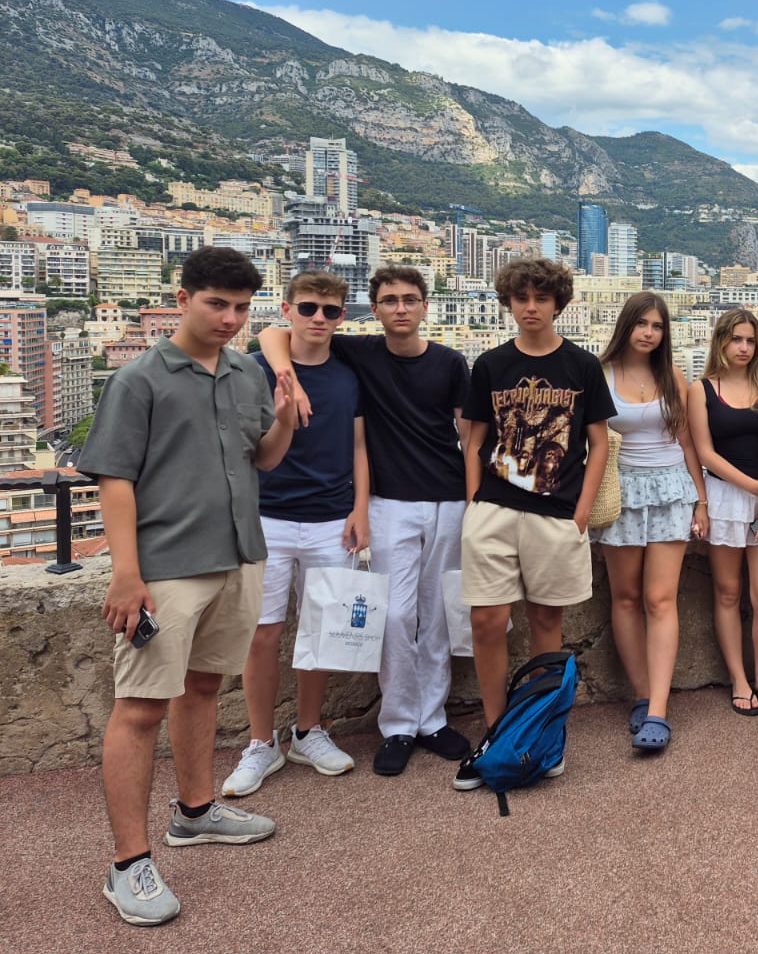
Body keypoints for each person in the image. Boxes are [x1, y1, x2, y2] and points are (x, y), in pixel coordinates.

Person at [83, 247, 295, 926]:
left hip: (238, 556)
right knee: (140, 709)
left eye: (241, 308)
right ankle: (128, 864)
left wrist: (285, 420)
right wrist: (126, 574)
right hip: (167, 568)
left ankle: (196, 813)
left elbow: (262, 458)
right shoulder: (139, 379)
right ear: (183, 299)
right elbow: (115, 479)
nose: (230, 319)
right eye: (217, 304)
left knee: (204, 687)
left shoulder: (244, 372)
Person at [261, 265, 473, 777]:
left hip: (447, 500)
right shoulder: (359, 351)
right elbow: (272, 332)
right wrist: (288, 377)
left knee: (437, 615)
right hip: (387, 501)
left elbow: (469, 437)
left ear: (425, 306)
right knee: (394, 615)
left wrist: (474, 501)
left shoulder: (450, 362)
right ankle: (398, 723)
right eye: (390, 300)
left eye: (410, 299)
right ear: (374, 310)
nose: (401, 308)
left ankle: (432, 719)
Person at [453, 258, 616, 789]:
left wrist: (581, 512)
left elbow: (598, 444)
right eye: (521, 298)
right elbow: (474, 440)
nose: (530, 307)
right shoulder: (491, 364)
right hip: (495, 508)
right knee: (487, 623)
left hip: (557, 513)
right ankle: (497, 736)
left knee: (548, 626)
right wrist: (474, 501)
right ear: (508, 303)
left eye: (541, 298)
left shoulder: (581, 365)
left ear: (557, 305)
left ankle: (540, 737)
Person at [224, 272, 370, 798]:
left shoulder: (348, 374)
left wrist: (360, 509)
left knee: (324, 630)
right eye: (307, 308)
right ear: (286, 310)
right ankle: (260, 742)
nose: (318, 319)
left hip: (331, 518)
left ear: (343, 317)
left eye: (330, 311)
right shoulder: (255, 368)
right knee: (262, 633)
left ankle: (309, 730)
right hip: (267, 515)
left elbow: (359, 444)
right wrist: (287, 376)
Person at [590, 292, 709, 751]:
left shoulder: (672, 375)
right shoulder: (600, 373)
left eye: (657, 326)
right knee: (624, 598)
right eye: (641, 323)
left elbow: (687, 442)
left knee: (660, 599)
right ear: (626, 325)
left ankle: (658, 709)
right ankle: (641, 695)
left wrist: (700, 501)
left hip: (669, 490)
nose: (649, 333)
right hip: (620, 492)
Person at [690, 309, 758, 715]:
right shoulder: (701, 390)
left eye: (750, 340)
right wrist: (755, 489)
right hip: (725, 498)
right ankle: (738, 678)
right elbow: (705, 453)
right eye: (736, 339)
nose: (744, 347)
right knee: (728, 592)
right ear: (721, 341)